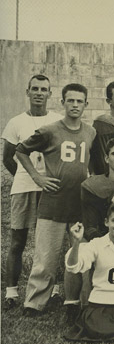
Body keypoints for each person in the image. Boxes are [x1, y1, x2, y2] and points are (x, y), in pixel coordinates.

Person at [17, 83, 96, 316]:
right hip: (53, 201)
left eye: (79, 101)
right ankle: (34, 303)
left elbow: (91, 163)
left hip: (79, 203)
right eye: (70, 100)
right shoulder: (49, 130)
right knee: (46, 257)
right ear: (62, 103)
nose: (74, 105)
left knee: (80, 255)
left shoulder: (90, 131)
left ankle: (81, 301)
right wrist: (37, 178)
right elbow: (20, 150)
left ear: (85, 105)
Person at [2, 74, 62, 309]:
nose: (39, 92)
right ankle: (11, 293)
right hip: (25, 187)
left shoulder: (57, 120)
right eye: (34, 88)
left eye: (43, 89)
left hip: (50, 188)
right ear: (27, 92)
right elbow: (8, 157)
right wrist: (25, 176)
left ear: (50, 93)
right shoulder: (16, 122)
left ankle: (54, 290)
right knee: (18, 240)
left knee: (51, 241)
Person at [63, 203, 114, 342]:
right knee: (96, 329)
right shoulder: (96, 245)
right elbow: (74, 266)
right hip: (100, 301)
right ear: (106, 222)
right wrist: (77, 242)